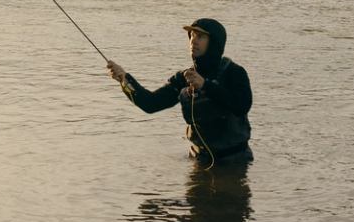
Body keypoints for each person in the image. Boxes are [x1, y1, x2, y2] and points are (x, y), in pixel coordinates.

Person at [106, 17, 253, 165]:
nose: (193, 41)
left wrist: (205, 85)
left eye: (200, 36)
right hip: (199, 159)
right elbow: (150, 104)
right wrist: (125, 80)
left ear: (214, 43)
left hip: (235, 161)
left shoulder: (234, 72)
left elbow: (242, 105)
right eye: (192, 35)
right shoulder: (184, 78)